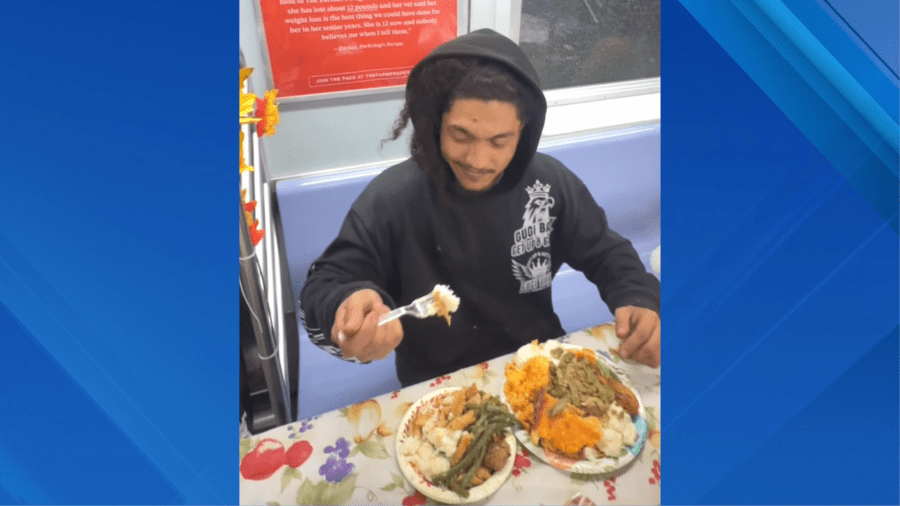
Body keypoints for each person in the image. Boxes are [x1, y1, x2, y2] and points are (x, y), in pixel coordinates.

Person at [300, 28, 660, 387]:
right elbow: (326, 283)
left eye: (499, 141)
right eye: (461, 135)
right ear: (436, 122)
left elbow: (606, 253)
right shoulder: (394, 198)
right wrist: (345, 304)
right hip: (438, 384)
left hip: (537, 364)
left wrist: (638, 296)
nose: (478, 160)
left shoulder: (549, 186)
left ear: (523, 133)